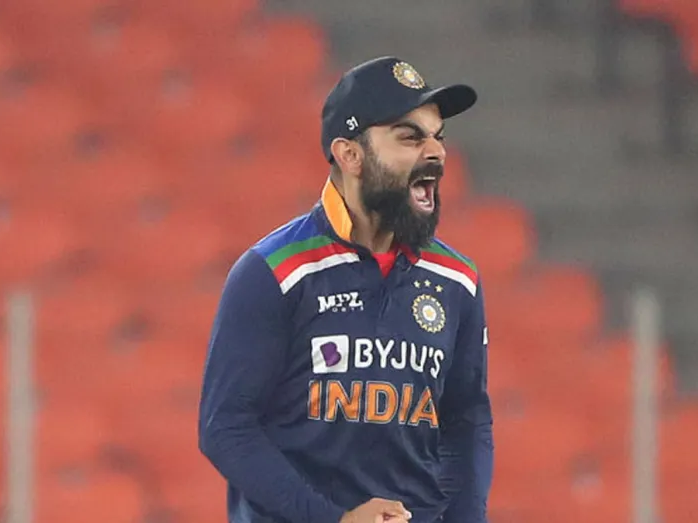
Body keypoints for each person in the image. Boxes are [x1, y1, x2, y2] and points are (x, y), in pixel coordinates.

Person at [198, 56, 494, 523]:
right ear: (350, 155)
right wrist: (333, 519)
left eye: (438, 137)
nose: (436, 152)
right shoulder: (274, 272)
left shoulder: (456, 279)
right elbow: (225, 428)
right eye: (410, 137)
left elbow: (466, 420)